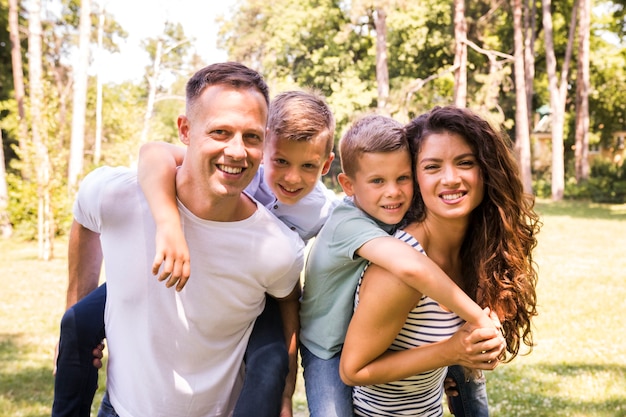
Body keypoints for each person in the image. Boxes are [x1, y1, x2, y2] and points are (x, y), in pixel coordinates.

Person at [52, 89, 337, 417]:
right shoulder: (236, 165)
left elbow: (361, 214)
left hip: (263, 283)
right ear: (267, 147)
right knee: (75, 323)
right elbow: (155, 152)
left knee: (270, 362)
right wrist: (168, 222)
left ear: (325, 166)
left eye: (308, 167)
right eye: (281, 161)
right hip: (174, 256)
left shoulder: (321, 211)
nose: (291, 177)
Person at [339, 106, 540, 416]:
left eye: (465, 163)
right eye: (432, 167)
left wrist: (481, 348)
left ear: (486, 170)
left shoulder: (477, 250)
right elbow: (354, 370)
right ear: (415, 178)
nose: (451, 178)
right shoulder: (399, 270)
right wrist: (451, 351)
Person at [298, 113, 502, 417]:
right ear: (348, 185)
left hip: (368, 345)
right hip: (325, 346)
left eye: (402, 178)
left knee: (468, 376)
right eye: (378, 181)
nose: (393, 192)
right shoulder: (349, 223)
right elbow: (412, 268)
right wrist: (480, 319)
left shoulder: (391, 218)